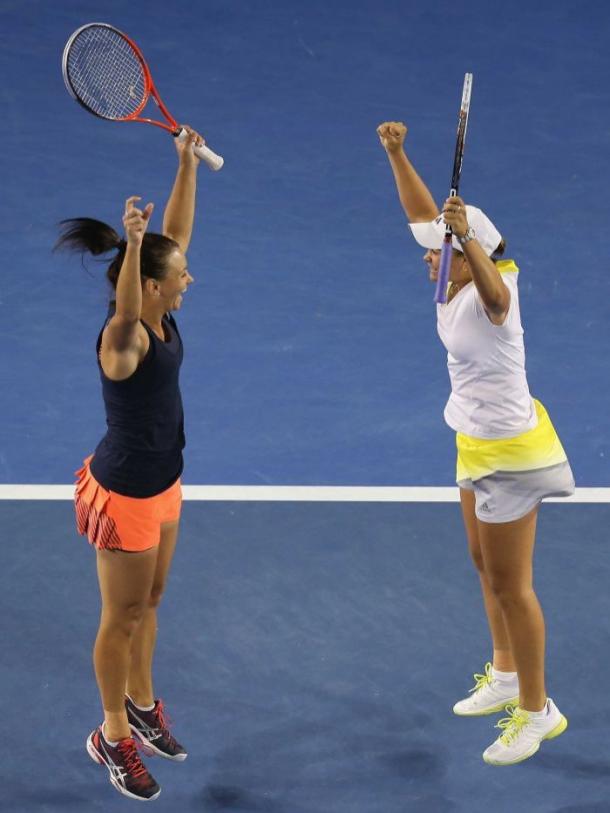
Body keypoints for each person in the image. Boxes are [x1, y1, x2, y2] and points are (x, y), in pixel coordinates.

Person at [377, 121, 575, 766]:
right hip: (475, 442)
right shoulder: (450, 279)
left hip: (511, 455)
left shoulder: (497, 294)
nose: (429, 254)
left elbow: (492, 290)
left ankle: (537, 711)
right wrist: (398, 153)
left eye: (444, 248)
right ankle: (508, 673)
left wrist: (462, 235)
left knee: (514, 585)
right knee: (482, 564)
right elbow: (420, 214)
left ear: (470, 253)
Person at [56, 128, 204, 800]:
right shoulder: (123, 338)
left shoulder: (163, 309)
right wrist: (136, 241)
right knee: (120, 618)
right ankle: (112, 734)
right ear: (148, 285)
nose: (189, 279)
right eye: (177, 278)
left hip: (165, 482)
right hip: (125, 495)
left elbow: (177, 235)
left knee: (152, 601)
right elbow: (127, 305)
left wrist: (184, 167)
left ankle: (142, 701)